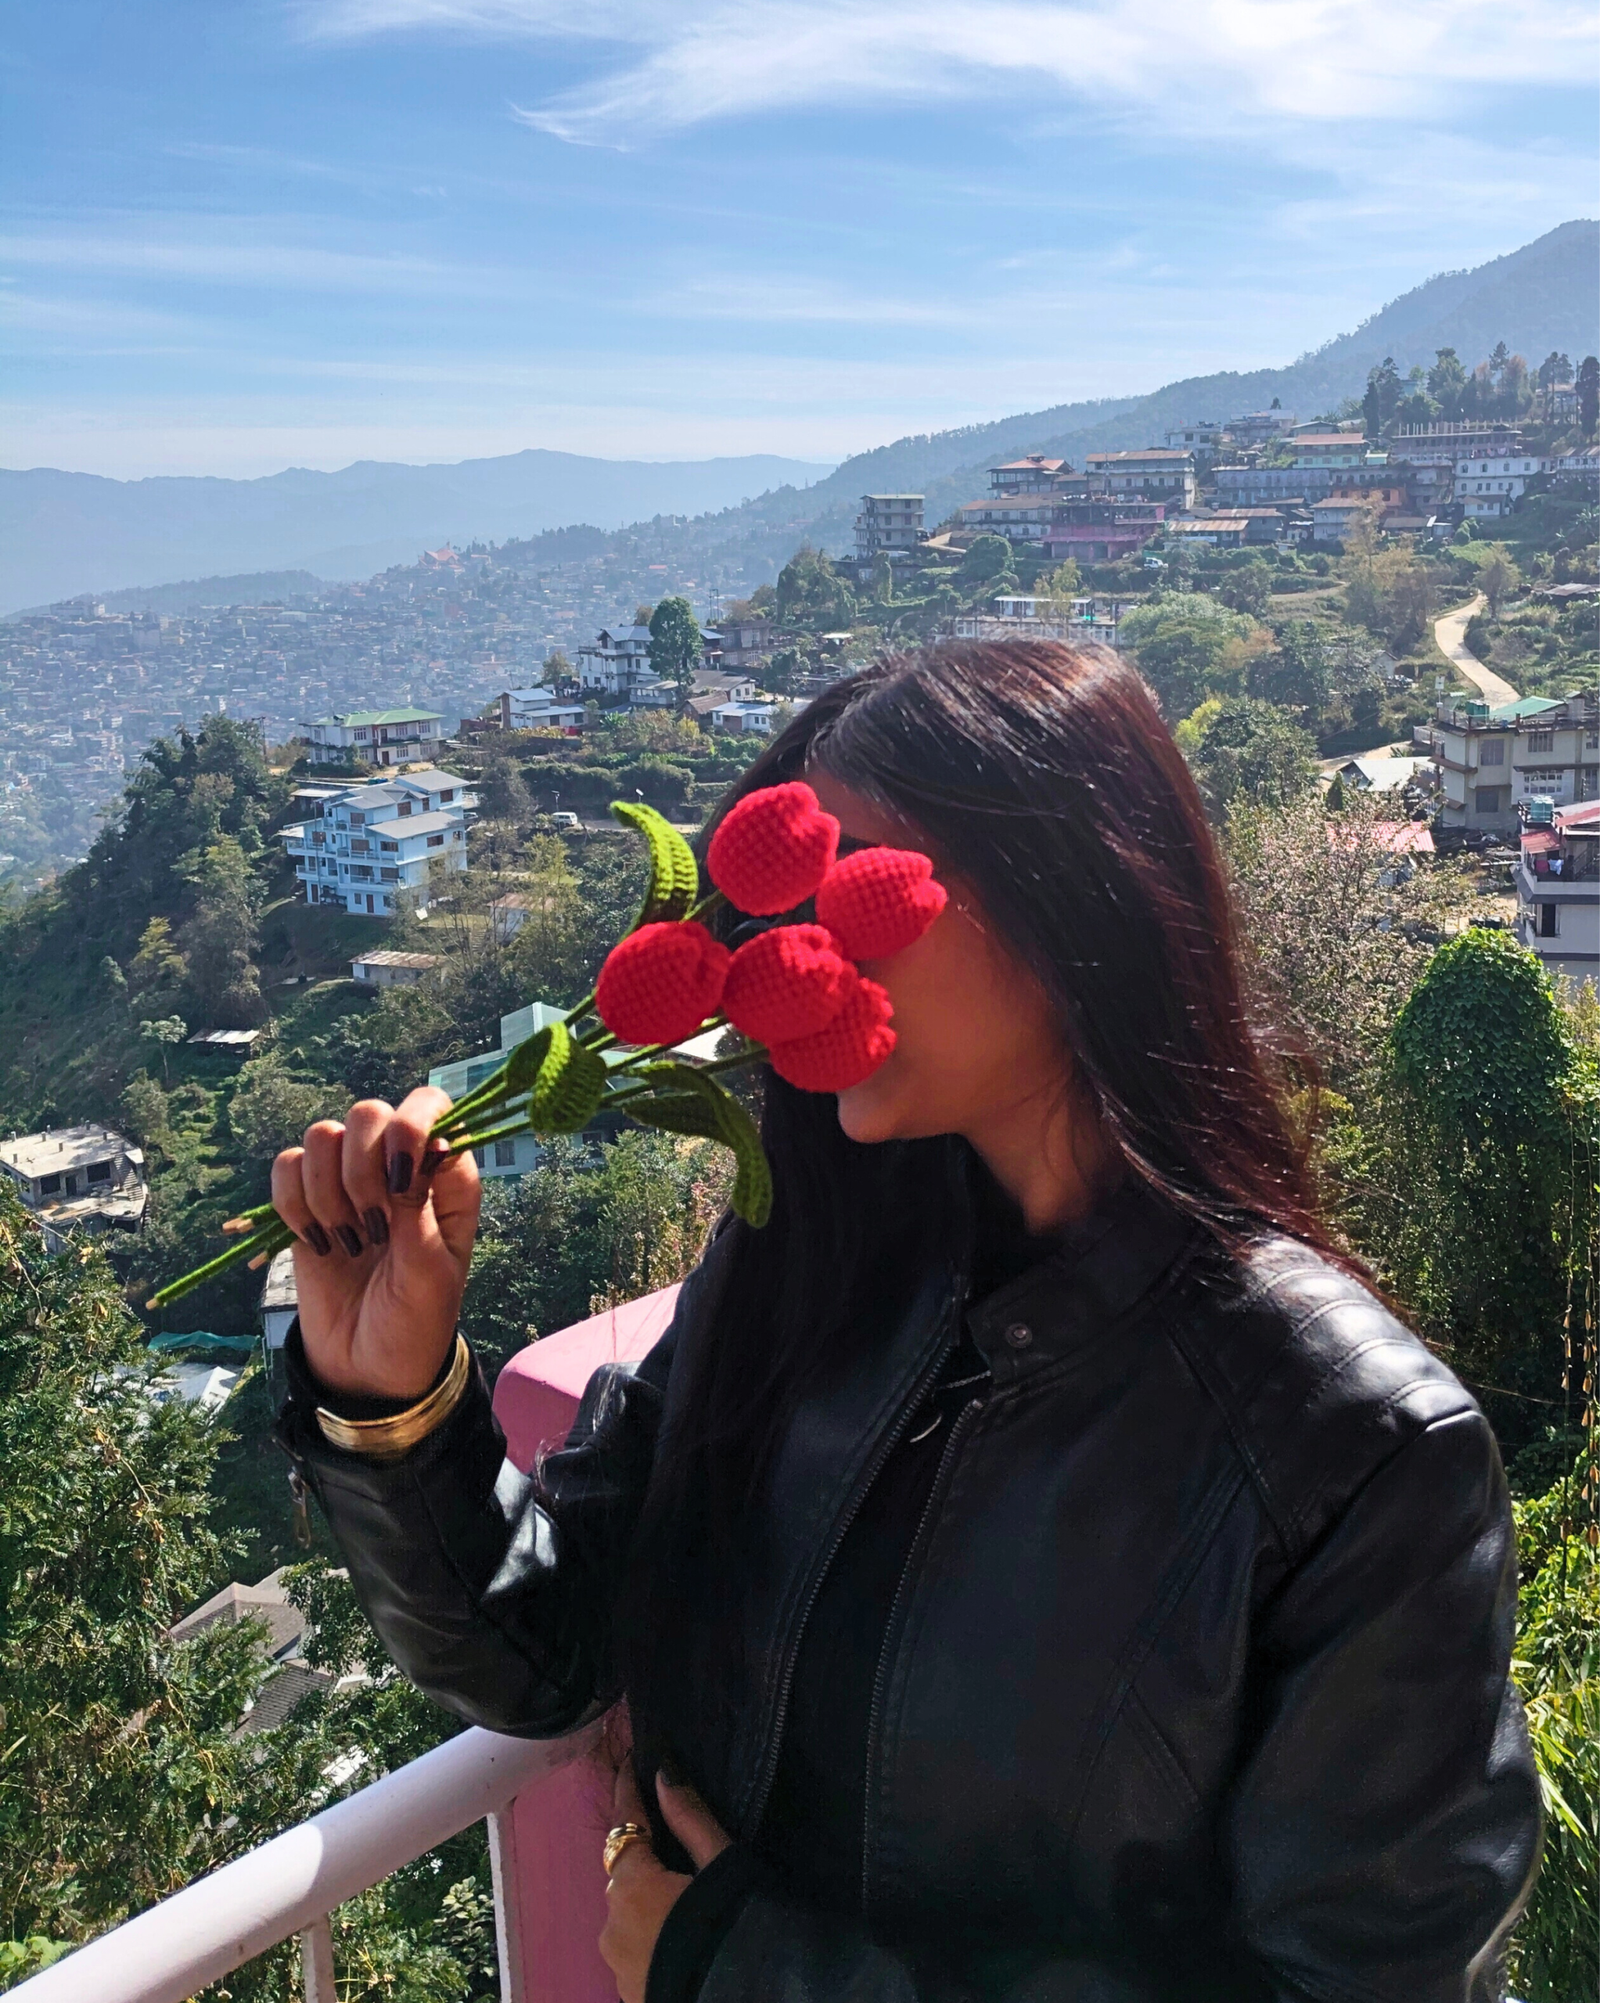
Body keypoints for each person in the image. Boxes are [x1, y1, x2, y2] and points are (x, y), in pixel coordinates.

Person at [273, 641, 1541, 2003]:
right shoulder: (806, 1257)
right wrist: (393, 1401)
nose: (792, 957)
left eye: (851, 896)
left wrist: (756, 1972)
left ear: (1071, 901)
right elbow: (551, 1649)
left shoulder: (1349, 1452)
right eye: (780, 910)